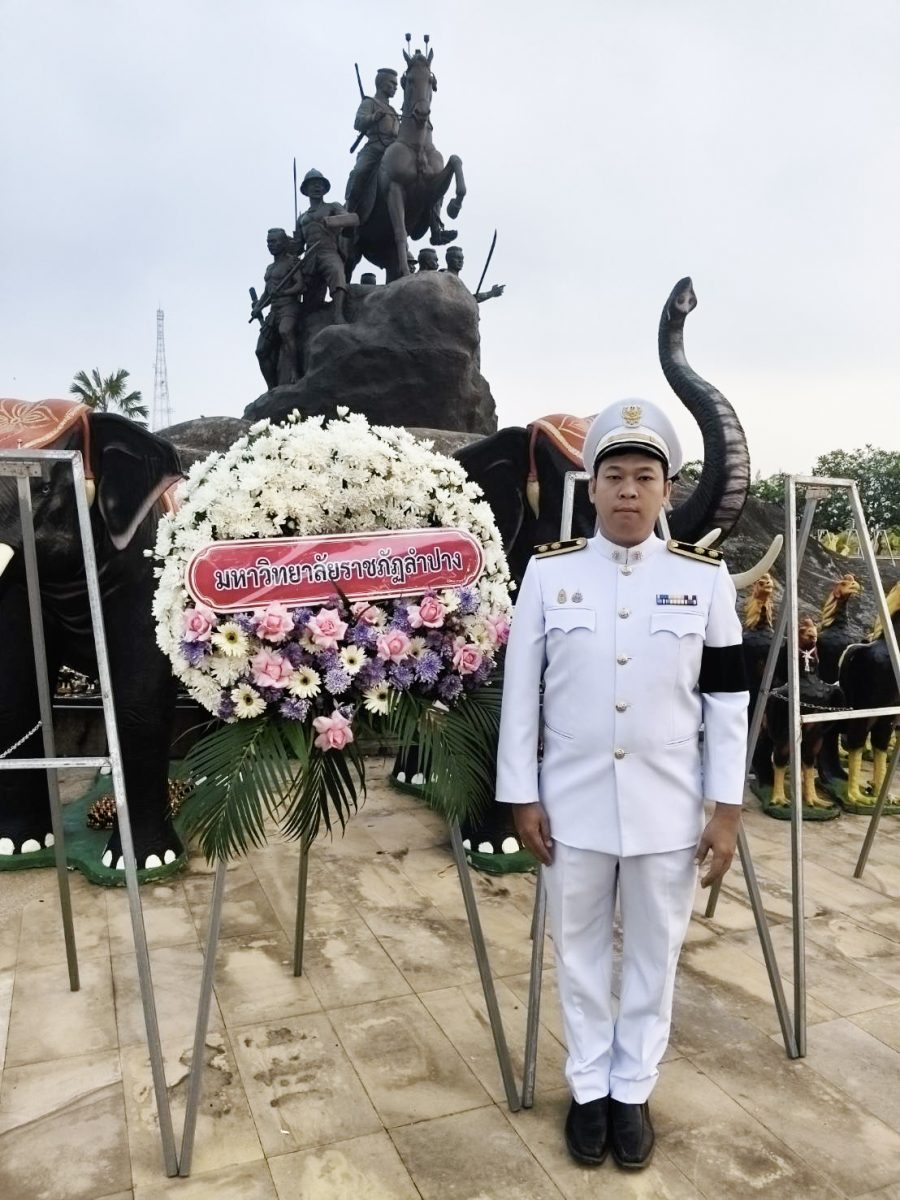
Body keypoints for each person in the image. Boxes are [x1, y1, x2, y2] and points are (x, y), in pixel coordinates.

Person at [496, 399, 748, 1171]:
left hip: (667, 808)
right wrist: (521, 794)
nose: (629, 490)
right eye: (615, 476)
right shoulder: (550, 573)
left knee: (652, 955)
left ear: (666, 489)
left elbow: (728, 700)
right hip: (569, 805)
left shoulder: (703, 580)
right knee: (576, 954)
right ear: (594, 487)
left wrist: (727, 809)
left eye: (644, 476)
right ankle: (588, 1086)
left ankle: (632, 1087)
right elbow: (521, 692)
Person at [295, 169, 359, 325]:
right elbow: (298, 247)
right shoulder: (302, 218)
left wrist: (331, 221)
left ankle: (338, 314)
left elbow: (352, 219)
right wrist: (290, 243)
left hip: (328, 251)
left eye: (320, 184)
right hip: (309, 257)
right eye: (313, 184)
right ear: (306, 189)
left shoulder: (332, 207)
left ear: (325, 189)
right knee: (308, 293)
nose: (317, 187)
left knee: (337, 274)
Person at [345, 68, 400, 222]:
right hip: (375, 148)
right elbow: (358, 123)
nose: (395, 87)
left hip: (393, 151)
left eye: (396, 85)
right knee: (358, 173)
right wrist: (374, 117)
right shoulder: (369, 102)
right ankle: (349, 211)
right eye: (392, 83)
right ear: (381, 83)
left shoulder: (394, 111)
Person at [252, 227, 303, 387]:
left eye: (274, 241)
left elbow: (300, 285)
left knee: (285, 331)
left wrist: (283, 292)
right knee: (261, 350)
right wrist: (259, 307)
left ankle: (295, 372)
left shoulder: (292, 262)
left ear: (283, 242)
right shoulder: (270, 268)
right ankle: (271, 387)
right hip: (273, 311)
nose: (270, 245)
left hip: (289, 307)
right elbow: (267, 293)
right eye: (268, 242)